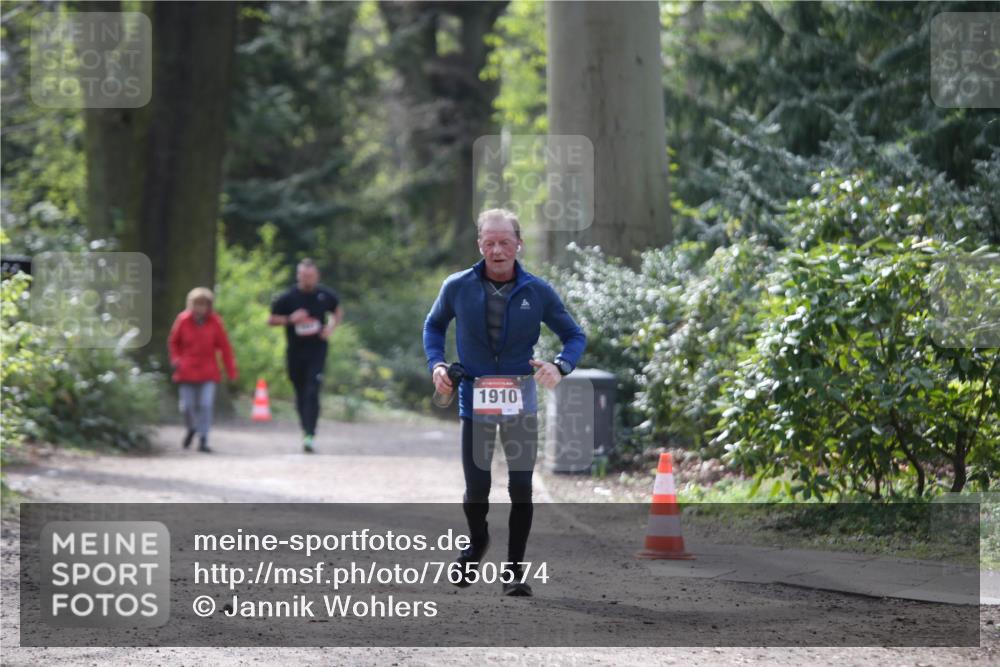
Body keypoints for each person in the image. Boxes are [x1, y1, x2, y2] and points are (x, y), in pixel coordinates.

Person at [423, 208, 586, 596]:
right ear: (479, 244)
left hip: (520, 402)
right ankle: (478, 542)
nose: (497, 250)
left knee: (520, 488)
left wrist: (560, 366)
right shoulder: (457, 286)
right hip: (474, 399)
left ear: (519, 244)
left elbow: (574, 335)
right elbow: (433, 326)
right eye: (489, 242)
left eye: (505, 242)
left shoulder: (538, 291)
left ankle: (514, 571)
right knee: (477, 489)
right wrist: (438, 364)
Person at [268, 258, 343, 453]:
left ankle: (310, 433)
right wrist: (290, 319)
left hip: (317, 351)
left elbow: (337, 310)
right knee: (300, 391)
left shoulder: (324, 295)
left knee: (312, 390)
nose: (307, 280)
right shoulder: (288, 298)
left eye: (310, 276)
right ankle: (305, 428)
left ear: (316, 276)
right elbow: (271, 319)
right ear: (298, 276)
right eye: (303, 276)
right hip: (295, 352)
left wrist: (330, 328)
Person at [167, 287, 238, 453]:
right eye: (197, 304)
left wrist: (231, 371)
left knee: (206, 405)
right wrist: (176, 360)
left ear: (209, 306)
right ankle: (191, 428)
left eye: (203, 305)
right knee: (186, 407)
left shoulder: (215, 322)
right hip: (187, 371)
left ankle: (203, 438)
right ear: (190, 305)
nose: (200, 308)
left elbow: (225, 348)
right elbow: (173, 342)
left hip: (208, 371)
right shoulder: (183, 320)